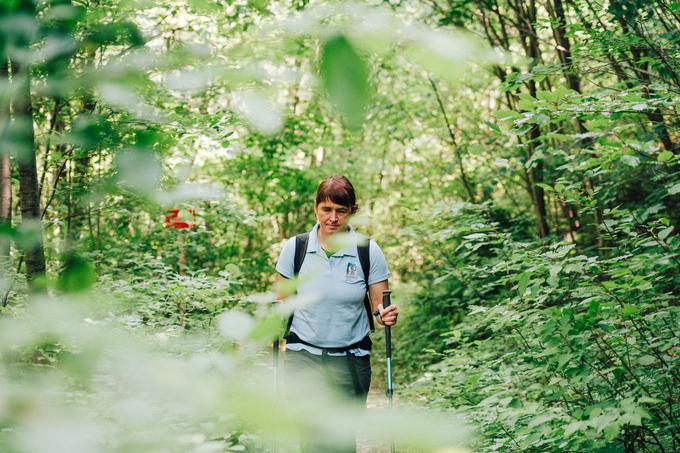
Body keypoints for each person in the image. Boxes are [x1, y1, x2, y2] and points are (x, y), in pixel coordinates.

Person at [275, 175, 398, 453]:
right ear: (316, 207)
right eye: (326, 209)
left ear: (351, 210)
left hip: (350, 360)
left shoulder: (368, 251)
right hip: (304, 357)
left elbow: (380, 307)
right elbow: (283, 303)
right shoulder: (296, 248)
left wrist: (386, 315)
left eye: (341, 211)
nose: (333, 218)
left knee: (341, 439)